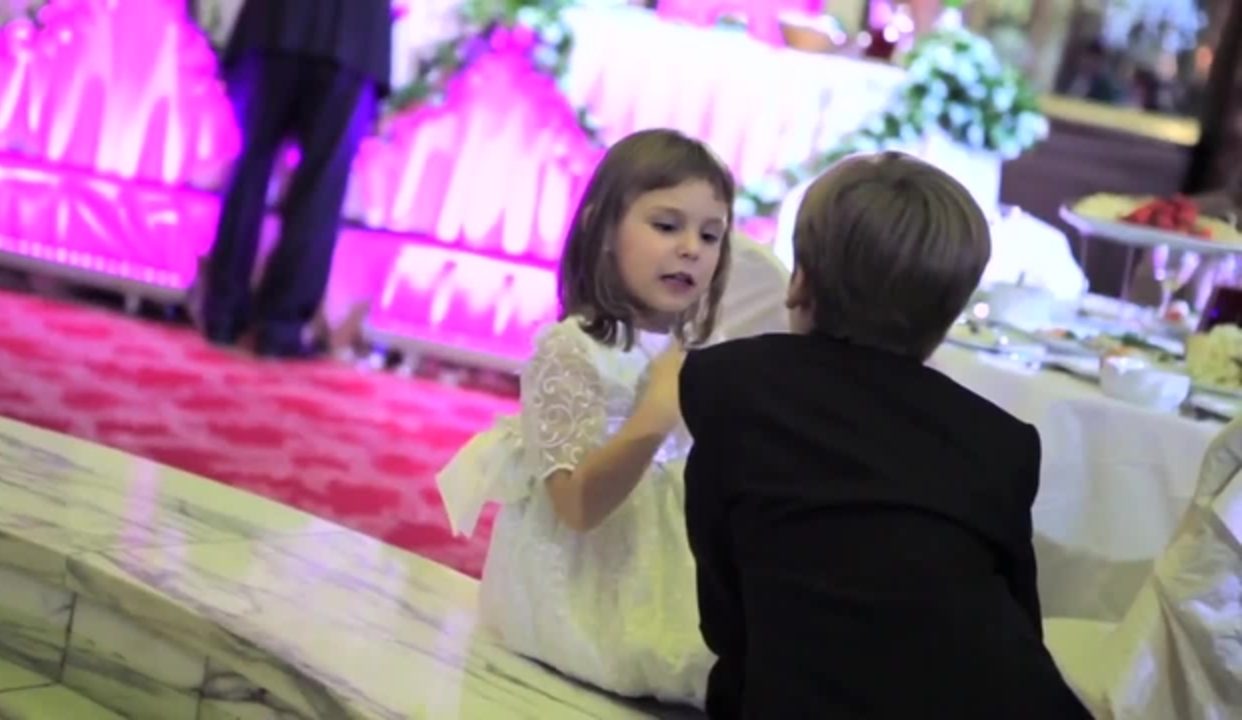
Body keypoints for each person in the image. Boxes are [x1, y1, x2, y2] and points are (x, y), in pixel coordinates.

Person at [679, 153, 1091, 719]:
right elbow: (1020, 619)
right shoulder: (1001, 443)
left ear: (799, 281)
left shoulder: (730, 384)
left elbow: (727, 620)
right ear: (949, 316)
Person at [434, 129, 734, 705]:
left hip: (669, 569)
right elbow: (575, 507)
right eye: (666, 225)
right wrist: (654, 418)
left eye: (710, 234)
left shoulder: (702, 348)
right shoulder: (572, 349)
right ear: (603, 231)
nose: (691, 248)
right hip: (584, 584)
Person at [200, 0, 390, 358]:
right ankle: (280, 326)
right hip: (352, 33)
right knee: (320, 187)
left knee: (249, 168)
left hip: (276, 22)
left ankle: (223, 312)